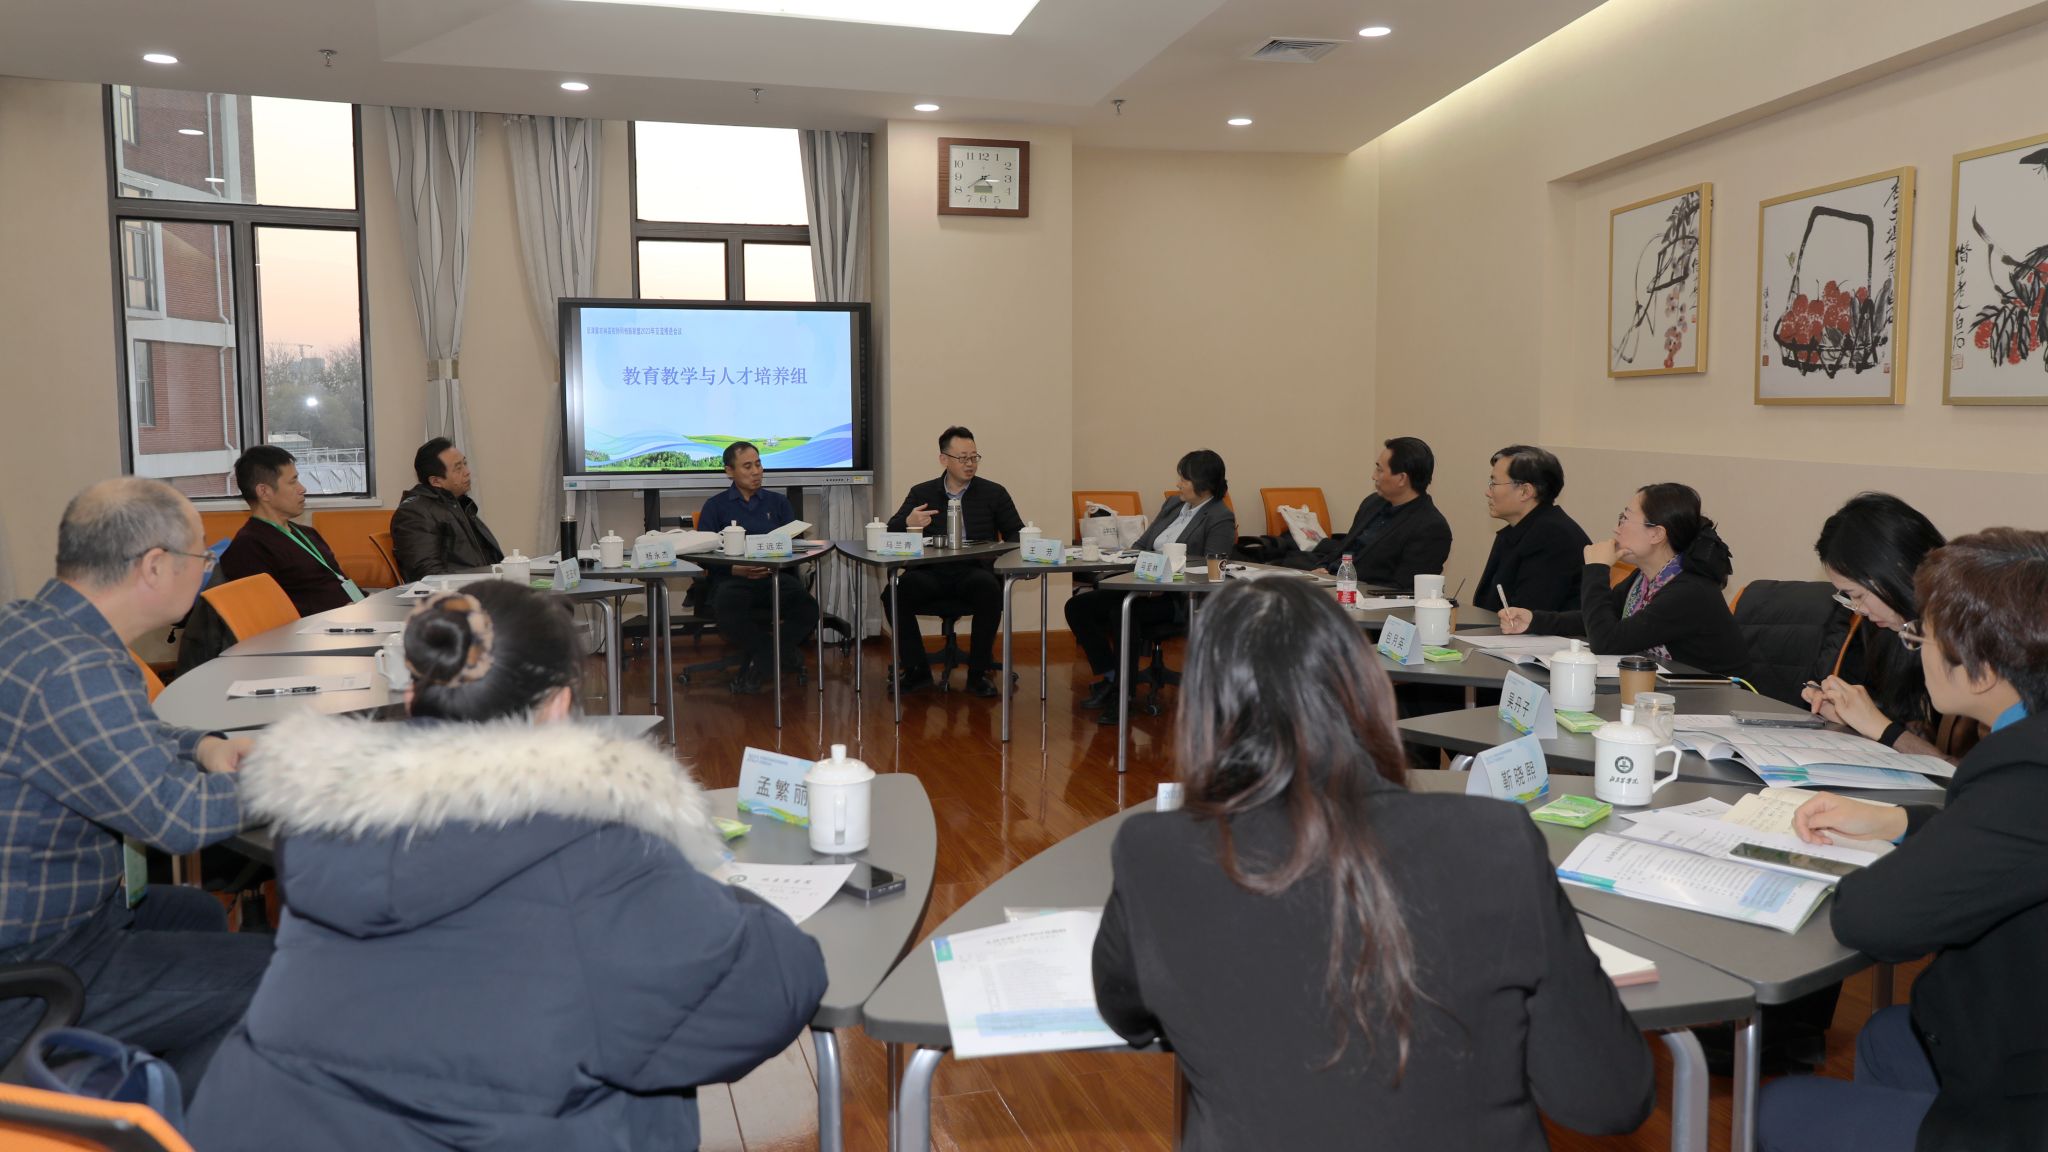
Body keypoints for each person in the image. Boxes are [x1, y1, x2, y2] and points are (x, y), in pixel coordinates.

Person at [186, 582, 828, 1151]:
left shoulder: (325, 820)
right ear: (557, 706)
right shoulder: (593, 851)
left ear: (411, 696)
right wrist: (710, 884)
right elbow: (771, 988)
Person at [1092, 577, 1653, 1148]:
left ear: (1204, 708)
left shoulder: (1154, 851)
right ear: (1365, 687)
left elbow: (1125, 1012)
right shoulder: (1495, 841)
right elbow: (1606, 1097)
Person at [1760, 528, 2048, 1152]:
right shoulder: (2028, 741)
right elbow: (2011, 844)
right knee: (1888, 1035)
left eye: (1924, 640)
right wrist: (1896, 823)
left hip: (2026, 1100)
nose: (1915, 652)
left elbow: (1873, 917)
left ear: (1982, 669)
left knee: (1779, 1108)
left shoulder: (2026, 766)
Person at [0, 478, 267, 1099]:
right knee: (271, 977)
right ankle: (157, 1129)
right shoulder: (76, 667)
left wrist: (202, 746)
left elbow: (111, 733)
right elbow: (177, 818)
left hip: (56, 914)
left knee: (198, 912)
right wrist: (298, 775)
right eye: (204, 555)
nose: (207, 569)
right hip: (31, 962)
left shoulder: (35, 628)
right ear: (154, 565)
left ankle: (158, 1072)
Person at [1499, 482, 1749, 677]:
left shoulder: (1689, 592)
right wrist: (1535, 620)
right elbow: (1598, 620)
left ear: (1656, 534)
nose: (1617, 528)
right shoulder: (1644, 579)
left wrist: (1597, 569)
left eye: (1625, 518)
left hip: (1716, 700)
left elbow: (1606, 641)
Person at [1065, 450, 1236, 723]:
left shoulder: (1219, 516)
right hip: (1142, 586)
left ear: (1204, 484)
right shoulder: (1173, 504)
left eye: (1185, 479)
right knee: (1077, 607)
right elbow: (1142, 544)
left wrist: (1168, 571)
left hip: (1179, 598)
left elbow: (1213, 569)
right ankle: (1112, 676)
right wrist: (1124, 561)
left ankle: (1124, 694)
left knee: (1123, 612)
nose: (1178, 484)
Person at [1804, 492, 1950, 759]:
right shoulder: (1889, 631)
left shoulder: (1970, 641)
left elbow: (1974, 774)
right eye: (1848, 598)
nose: (1859, 610)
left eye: (1858, 595)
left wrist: (1880, 727)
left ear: (1896, 569)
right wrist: (1849, 714)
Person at [882, 425, 1024, 697]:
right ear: (943, 459)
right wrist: (909, 522)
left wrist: (1001, 554)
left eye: (974, 457)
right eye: (962, 458)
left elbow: (1016, 534)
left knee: (989, 589)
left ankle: (978, 674)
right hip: (930, 572)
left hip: (974, 571)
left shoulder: (993, 493)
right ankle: (916, 670)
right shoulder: (922, 492)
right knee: (894, 593)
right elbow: (891, 531)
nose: (970, 464)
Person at [695, 442, 821, 693]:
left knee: (808, 608)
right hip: (733, 580)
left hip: (774, 578)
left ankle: (761, 662)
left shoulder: (778, 503)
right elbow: (702, 555)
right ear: (729, 471)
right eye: (747, 466)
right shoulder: (715, 506)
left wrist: (780, 560)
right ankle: (777, 656)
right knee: (728, 609)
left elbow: (795, 546)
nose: (756, 471)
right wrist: (735, 569)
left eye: (758, 464)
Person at [1281, 437, 1452, 588]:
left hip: (1364, 600)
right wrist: (1322, 568)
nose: (1374, 476)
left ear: (1401, 478)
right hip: (1332, 583)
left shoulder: (1430, 527)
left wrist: (1340, 584)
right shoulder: (1373, 503)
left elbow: (1403, 589)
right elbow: (1345, 548)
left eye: (1380, 470)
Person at [218, 445, 361, 616]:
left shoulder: (308, 534)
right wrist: (337, 613)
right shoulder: (248, 548)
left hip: (353, 617)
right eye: (293, 482)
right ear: (264, 492)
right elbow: (267, 614)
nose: (302, 489)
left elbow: (339, 580)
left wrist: (367, 602)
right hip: (318, 628)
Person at [1474, 444, 1592, 614]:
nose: (1488, 492)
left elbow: (1527, 614)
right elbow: (1486, 604)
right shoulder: (1519, 530)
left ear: (1525, 491)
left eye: (1494, 483)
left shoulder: (1553, 538)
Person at [391, 437, 504, 581]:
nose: (467, 472)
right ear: (436, 481)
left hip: (485, 585)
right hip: (459, 592)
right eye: (458, 468)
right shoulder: (414, 513)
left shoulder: (459, 503)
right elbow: (428, 575)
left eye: (464, 463)